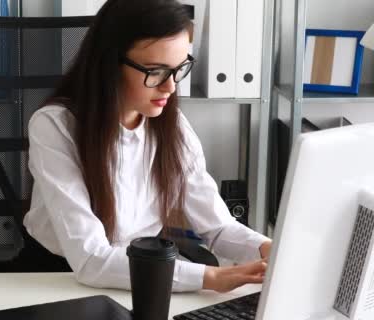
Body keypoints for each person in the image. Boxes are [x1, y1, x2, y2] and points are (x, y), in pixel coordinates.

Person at [23, 0, 272, 293]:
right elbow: (89, 258)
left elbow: (218, 227)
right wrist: (210, 278)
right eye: (155, 71)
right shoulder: (56, 126)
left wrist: (270, 250)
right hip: (58, 277)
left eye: (179, 69)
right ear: (110, 64)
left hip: (143, 264)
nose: (170, 87)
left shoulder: (171, 124)